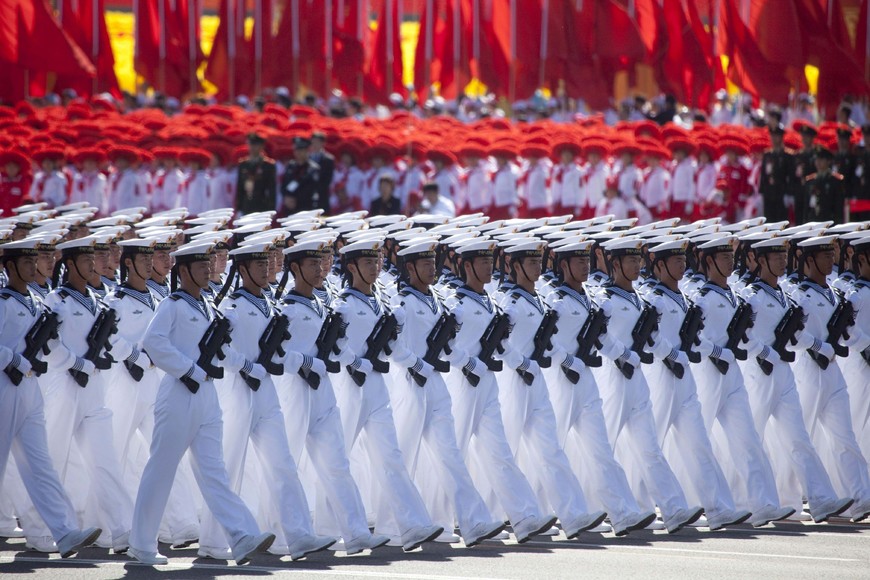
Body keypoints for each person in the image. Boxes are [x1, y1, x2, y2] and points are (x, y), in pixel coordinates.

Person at [129, 241, 276, 565]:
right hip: (179, 392)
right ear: (183, 272)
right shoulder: (173, 304)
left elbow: (219, 348)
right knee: (162, 468)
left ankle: (240, 536)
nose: (208, 269)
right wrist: (188, 369)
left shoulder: (207, 304)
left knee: (214, 471)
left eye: (209, 264)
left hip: (207, 393)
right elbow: (152, 343)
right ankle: (141, 543)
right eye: (200, 266)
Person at [197, 242, 337, 561]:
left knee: (282, 462)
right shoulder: (231, 306)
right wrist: (244, 365)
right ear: (242, 270)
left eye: (267, 264)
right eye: (258, 265)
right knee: (230, 464)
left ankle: (299, 535)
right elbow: (217, 348)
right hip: (237, 389)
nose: (266, 268)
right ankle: (213, 541)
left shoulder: (270, 304)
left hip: (266, 389)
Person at [442, 238, 561, 543]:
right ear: (466, 266)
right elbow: (442, 344)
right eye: (481, 262)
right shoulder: (457, 303)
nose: (488, 266)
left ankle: (523, 517)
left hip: (487, 381)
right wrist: (467, 363)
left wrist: (513, 359)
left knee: (499, 452)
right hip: (462, 381)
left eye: (490, 261)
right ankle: (442, 522)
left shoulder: (490, 300)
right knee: (451, 453)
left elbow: (501, 341)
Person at [276, 239, 391, 555]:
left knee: (337, 462)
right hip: (294, 390)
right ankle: (282, 534)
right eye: (312, 264)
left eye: (321, 263)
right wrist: (307, 362)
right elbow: (276, 354)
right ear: (296, 268)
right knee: (288, 464)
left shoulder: (321, 304)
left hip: (323, 390)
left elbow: (336, 343)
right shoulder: (286, 308)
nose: (320, 269)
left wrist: (348, 358)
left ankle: (355, 533)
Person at [387, 241, 505, 547]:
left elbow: (448, 342)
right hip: (411, 381)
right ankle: (391, 526)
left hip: (435, 381)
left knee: (449, 454)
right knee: (403, 455)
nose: (432, 268)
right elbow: (390, 345)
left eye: (432, 262)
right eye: (424, 264)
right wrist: (415, 363)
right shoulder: (402, 303)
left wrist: (459, 359)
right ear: (410, 268)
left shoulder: (437, 300)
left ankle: (472, 521)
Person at [330, 239, 444, 550]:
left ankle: (409, 526)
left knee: (390, 455)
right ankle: (331, 528)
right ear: (352, 267)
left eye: (377, 261)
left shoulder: (379, 301)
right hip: (350, 385)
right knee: (338, 459)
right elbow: (332, 344)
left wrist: (412, 361)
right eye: (368, 262)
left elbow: (391, 345)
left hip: (376, 384)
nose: (376, 267)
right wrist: (355, 361)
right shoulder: (344, 304)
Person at [542, 239, 658, 536]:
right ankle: (542, 512)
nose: (585, 266)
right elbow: (543, 340)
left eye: (587, 260)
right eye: (578, 261)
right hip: (560, 378)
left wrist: (622, 354)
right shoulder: (553, 298)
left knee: (600, 449)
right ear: (564, 265)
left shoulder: (590, 298)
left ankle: (623, 512)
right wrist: (564, 359)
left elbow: (601, 336)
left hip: (586, 378)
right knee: (551, 448)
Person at [589, 237, 703, 533]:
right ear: (614, 264)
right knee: (604, 445)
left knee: (649, 446)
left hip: (637, 375)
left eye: (638, 260)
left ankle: (673, 508)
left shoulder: (640, 297)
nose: (637, 265)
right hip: (614, 375)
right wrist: (621, 354)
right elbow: (596, 336)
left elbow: (650, 335)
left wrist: (662, 351)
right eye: (630, 261)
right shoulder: (604, 298)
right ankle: (597, 510)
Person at [0, 237, 102, 558]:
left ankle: (63, 531)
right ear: (10, 266)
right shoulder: (3, 301)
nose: (33, 267)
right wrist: (14, 360)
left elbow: (52, 343)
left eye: (35, 262)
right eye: (26, 262)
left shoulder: (35, 300)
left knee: (41, 465)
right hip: (4, 386)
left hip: (30, 389)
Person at [740, 236, 854, 522]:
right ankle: (750, 502)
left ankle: (821, 500)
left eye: (783, 256)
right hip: (760, 371)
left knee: (798, 437)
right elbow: (742, 335)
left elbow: (794, 333)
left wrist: (812, 345)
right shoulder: (752, 295)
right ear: (762, 261)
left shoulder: (782, 295)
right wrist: (764, 351)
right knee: (750, 438)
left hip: (783, 371)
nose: (782, 261)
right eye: (775, 256)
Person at [689, 237, 795, 526]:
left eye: (730, 256)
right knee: (697, 440)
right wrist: (716, 351)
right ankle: (699, 505)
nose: (729, 261)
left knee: (747, 439)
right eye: (723, 257)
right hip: (708, 373)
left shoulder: (734, 294)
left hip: (732, 371)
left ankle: (762, 504)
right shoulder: (701, 298)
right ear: (709, 262)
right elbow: (690, 339)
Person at [787, 236, 870, 523]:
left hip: (833, 370)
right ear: (808, 261)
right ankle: (788, 497)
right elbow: (792, 337)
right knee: (801, 438)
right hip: (808, 370)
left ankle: (861, 497)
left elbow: (847, 331)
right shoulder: (799, 295)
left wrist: (864, 345)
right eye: (822, 256)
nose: (829, 260)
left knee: (844, 437)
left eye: (829, 254)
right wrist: (817, 346)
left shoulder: (835, 294)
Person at [279, 136, 322, 216]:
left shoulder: (313, 168)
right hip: (289, 209)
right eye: (296, 150)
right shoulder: (290, 166)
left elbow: (312, 189)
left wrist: (295, 200)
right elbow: (284, 184)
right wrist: (286, 198)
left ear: (306, 151)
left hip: (305, 208)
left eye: (301, 150)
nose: (298, 153)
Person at [236, 133, 277, 216]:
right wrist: (239, 208)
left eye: (255, 145)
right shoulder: (243, 164)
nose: (252, 148)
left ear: (262, 146)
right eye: (250, 144)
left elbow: (272, 189)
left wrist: (271, 209)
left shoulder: (268, 165)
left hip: (262, 206)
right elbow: (239, 188)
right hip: (246, 206)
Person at [804, 148, 847, 225]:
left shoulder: (835, 180)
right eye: (816, 159)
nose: (818, 162)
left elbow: (838, 206)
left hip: (829, 220)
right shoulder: (810, 181)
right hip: (814, 221)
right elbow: (806, 207)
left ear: (828, 161)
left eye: (821, 159)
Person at [309, 131, 335, 214]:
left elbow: (328, 180)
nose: (315, 144)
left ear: (323, 143)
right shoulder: (307, 158)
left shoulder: (329, 159)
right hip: (308, 197)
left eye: (317, 142)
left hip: (322, 196)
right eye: (313, 142)